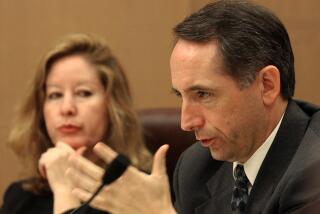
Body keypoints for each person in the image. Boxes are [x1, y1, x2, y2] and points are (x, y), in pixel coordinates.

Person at [64, 1, 320, 214]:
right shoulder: (195, 167)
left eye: (203, 94)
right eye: (181, 96)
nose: (186, 123)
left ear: (266, 85)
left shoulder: (313, 169)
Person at [0, 34, 152, 214]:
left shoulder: (141, 197)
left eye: (84, 93)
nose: (67, 108)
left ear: (113, 106)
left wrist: (65, 189)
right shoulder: (20, 198)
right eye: (55, 95)